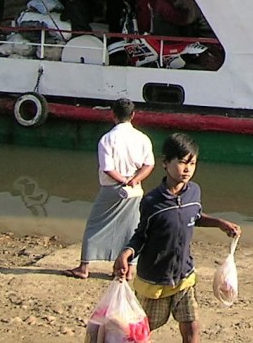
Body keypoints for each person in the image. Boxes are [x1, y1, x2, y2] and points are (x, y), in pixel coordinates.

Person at [114, 133, 241, 343]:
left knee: (191, 327)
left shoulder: (194, 192)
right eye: (182, 162)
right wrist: (126, 254)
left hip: (184, 275)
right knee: (141, 331)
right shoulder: (152, 202)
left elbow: (195, 216)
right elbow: (140, 236)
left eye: (192, 163)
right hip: (155, 279)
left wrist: (220, 223)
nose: (187, 169)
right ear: (165, 162)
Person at [65, 98, 154, 280]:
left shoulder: (107, 139)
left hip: (112, 188)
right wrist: (133, 180)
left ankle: (84, 267)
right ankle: (128, 269)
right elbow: (149, 165)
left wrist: (123, 181)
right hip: (135, 189)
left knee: (95, 225)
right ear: (133, 115)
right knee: (132, 228)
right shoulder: (142, 138)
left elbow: (108, 168)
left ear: (113, 115)